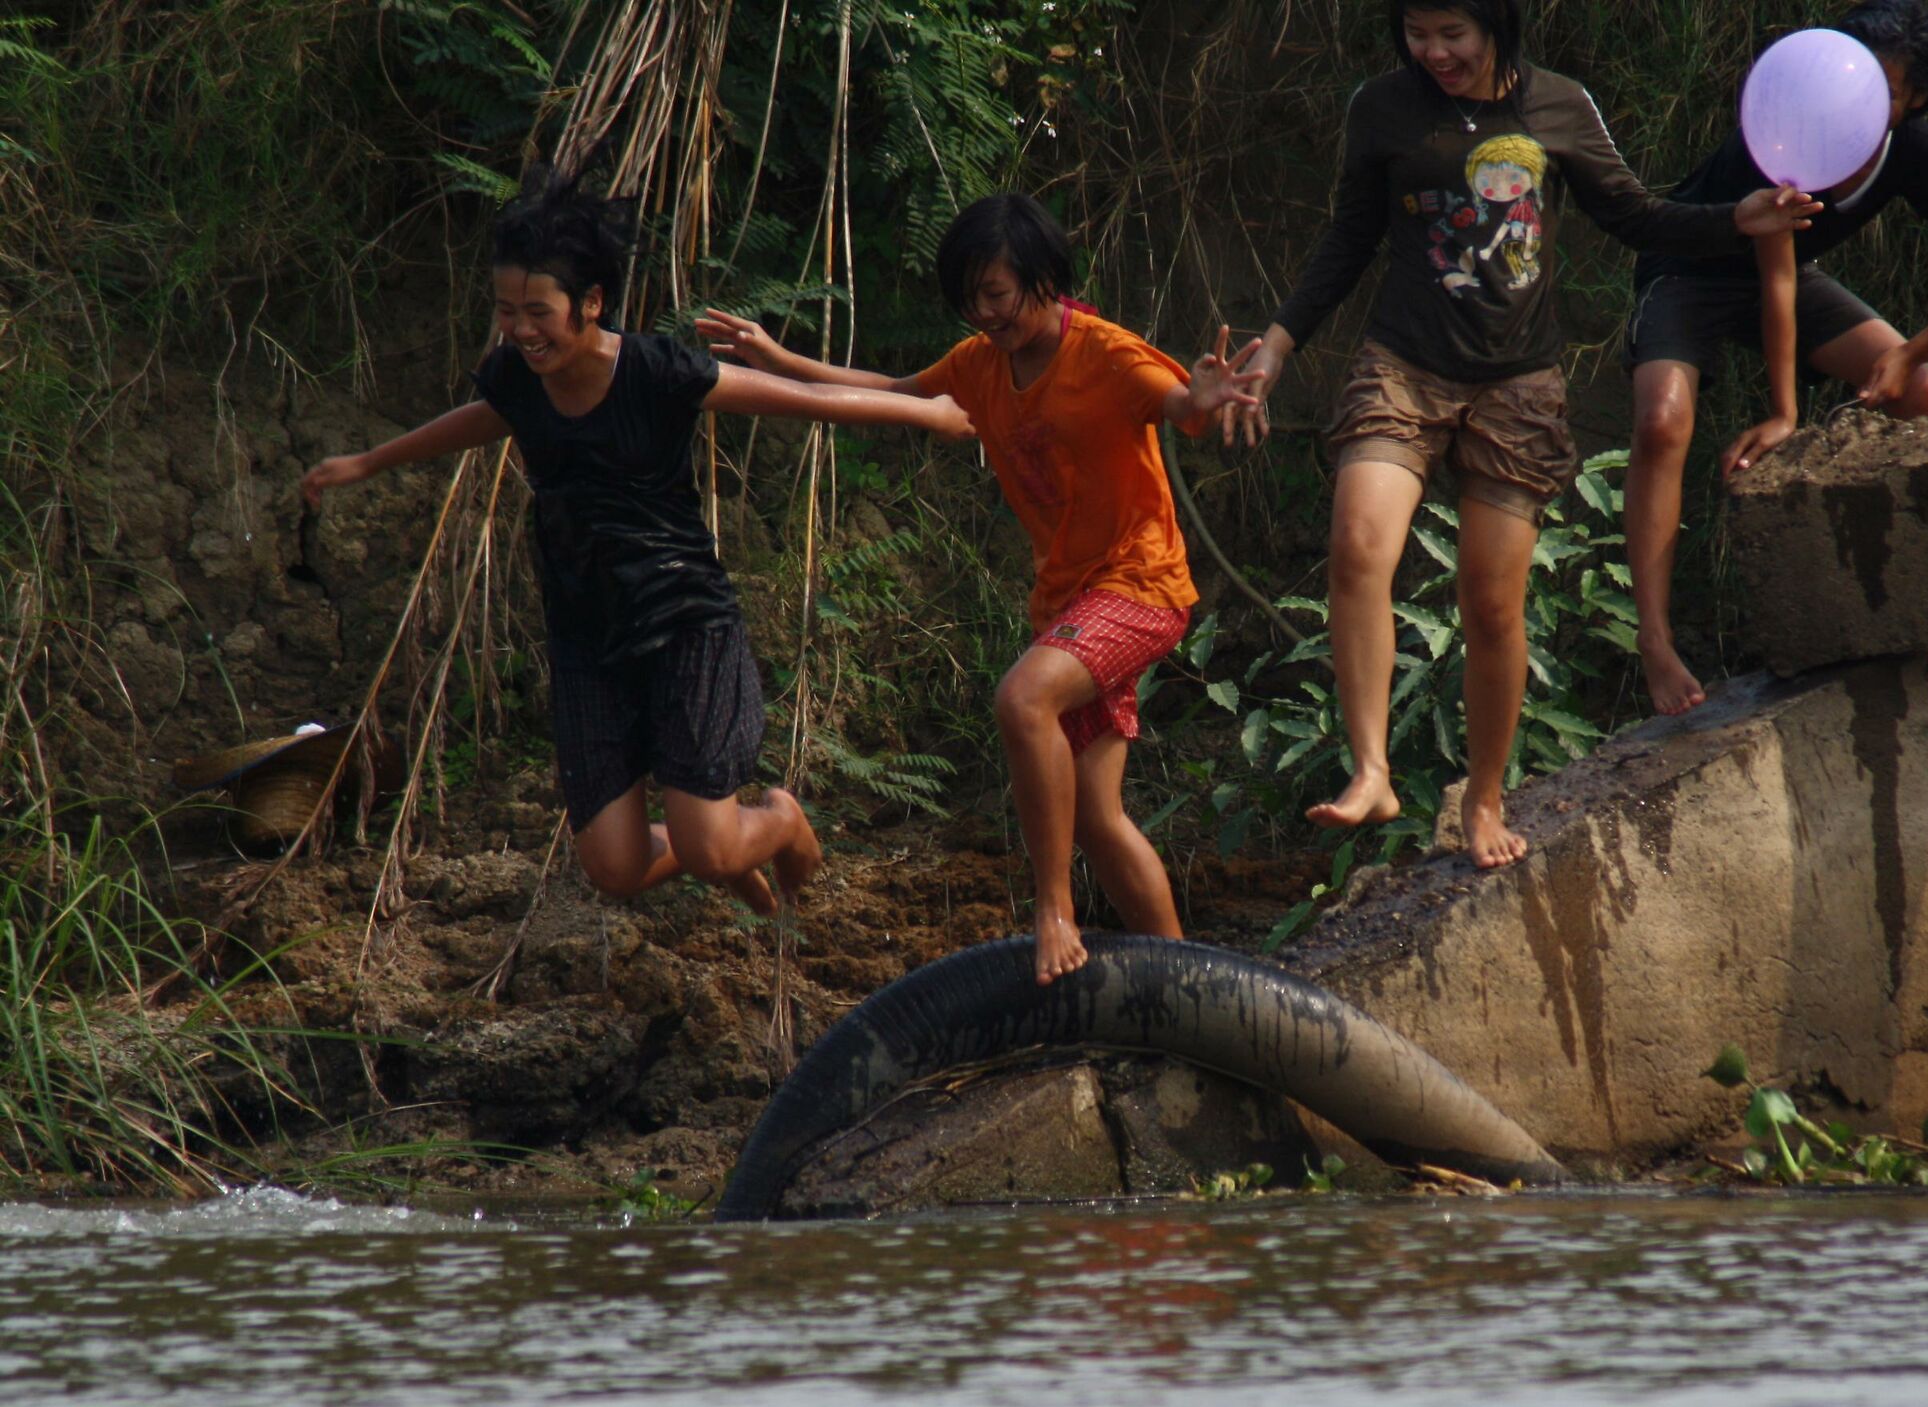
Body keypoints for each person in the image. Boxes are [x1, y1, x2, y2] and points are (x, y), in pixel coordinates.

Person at [1232, 0, 1819, 869]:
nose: (1433, 52)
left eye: (1452, 35)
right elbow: (1350, 237)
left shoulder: (1558, 106)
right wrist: (1279, 342)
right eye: (1417, 34)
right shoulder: (1382, 109)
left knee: (1492, 602)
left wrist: (1737, 218)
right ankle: (1371, 768)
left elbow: (1636, 215)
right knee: (1358, 545)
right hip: (1402, 363)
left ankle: (1485, 795)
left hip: (1517, 387)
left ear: (1496, 25)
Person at [302, 163, 974, 916]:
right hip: (588, 637)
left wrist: (926, 413)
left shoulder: (655, 372)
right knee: (615, 869)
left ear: (591, 303)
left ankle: (775, 822)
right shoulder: (518, 375)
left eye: (538, 311)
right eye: (505, 310)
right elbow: (485, 418)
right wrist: (368, 460)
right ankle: (717, 848)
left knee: (707, 846)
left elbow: (798, 401)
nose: (521, 329)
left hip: (684, 622)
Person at [696, 195, 1262, 984]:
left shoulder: (1104, 352)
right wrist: (776, 357)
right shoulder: (979, 366)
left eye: (997, 295)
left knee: (1023, 698)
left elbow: (1179, 406)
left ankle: (1054, 909)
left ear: (1044, 280)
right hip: (1070, 606)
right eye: (971, 300)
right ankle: (1195, 985)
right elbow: (895, 389)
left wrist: (1199, 399)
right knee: (1098, 820)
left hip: (1141, 586)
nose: (985, 313)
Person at [1623, 0, 1928, 715]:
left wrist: (1908, 353)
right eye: (1859, 75)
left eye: (1888, 89)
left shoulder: (1916, 151)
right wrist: (1785, 413)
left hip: (1778, 280)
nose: (1863, 100)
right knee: (1661, 421)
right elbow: (1773, 271)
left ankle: (1897, 588)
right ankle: (1653, 642)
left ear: (1916, 100)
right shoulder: (1793, 122)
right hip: (1689, 269)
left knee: (1920, 393)